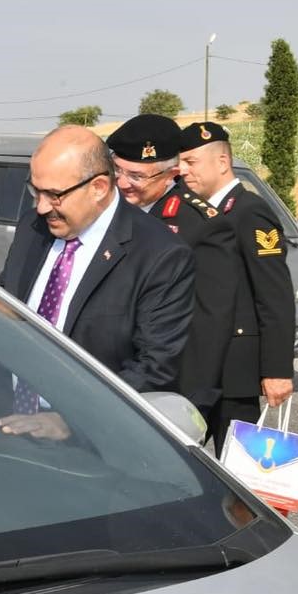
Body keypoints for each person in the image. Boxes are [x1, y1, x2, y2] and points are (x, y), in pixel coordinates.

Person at [0, 125, 194, 395]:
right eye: (35, 191)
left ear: (99, 187)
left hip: (90, 429)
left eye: (54, 195)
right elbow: (3, 308)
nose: (41, 207)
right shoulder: (32, 227)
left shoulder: (160, 255)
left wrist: (72, 419)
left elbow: (154, 367)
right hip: (6, 412)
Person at [105, 113, 239, 420]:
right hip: (113, 379)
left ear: (172, 173)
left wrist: (193, 403)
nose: (123, 184)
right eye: (118, 171)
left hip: (166, 393)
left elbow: (209, 326)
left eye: (137, 176)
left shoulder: (202, 227)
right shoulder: (110, 214)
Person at [177, 121, 295, 448]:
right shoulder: (196, 213)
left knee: (236, 469)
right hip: (199, 364)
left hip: (235, 371)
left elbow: (275, 295)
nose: (182, 170)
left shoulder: (250, 212)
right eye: (180, 162)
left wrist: (277, 369)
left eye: (191, 162)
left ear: (222, 162)